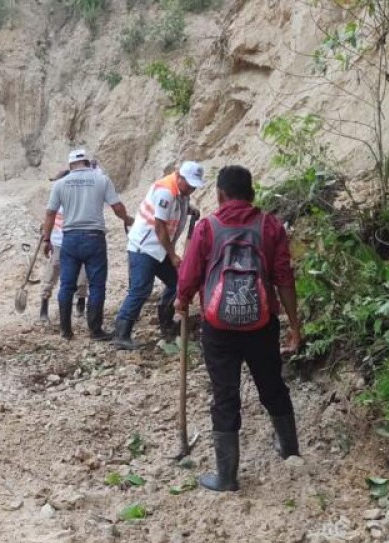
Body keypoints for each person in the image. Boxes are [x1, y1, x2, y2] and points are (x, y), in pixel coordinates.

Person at [174, 165, 303, 492]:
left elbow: (188, 274)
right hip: (262, 324)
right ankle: (290, 450)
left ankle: (227, 476)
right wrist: (294, 326)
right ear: (252, 194)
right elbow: (284, 278)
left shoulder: (207, 228)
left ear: (220, 194)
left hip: (218, 328)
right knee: (272, 385)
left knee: (225, 394)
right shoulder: (271, 226)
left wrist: (181, 300)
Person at [42, 149, 134, 340]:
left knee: (66, 285)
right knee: (97, 285)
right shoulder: (102, 180)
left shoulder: (61, 184)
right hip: (95, 238)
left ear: (70, 166)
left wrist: (46, 239)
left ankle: (66, 331)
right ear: (87, 162)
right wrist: (127, 219)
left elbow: (50, 213)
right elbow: (117, 207)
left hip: (70, 239)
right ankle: (95, 330)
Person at [113, 161, 204, 349]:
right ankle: (121, 334)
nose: (192, 189)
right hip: (144, 247)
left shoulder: (181, 191)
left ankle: (166, 321)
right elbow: (159, 227)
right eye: (190, 185)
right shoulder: (166, 192)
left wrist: (189, 209)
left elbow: (177, 205)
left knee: (177, 282)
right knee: (140, 290)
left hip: (159, 248)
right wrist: (173, 255)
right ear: (179, 176)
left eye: (195, 186)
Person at [40, 170, 88, 322]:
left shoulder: (79, 199)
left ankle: (80, 305)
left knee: (82, 275)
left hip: (77, 241)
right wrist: (46, 237)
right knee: (53, 270)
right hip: (59, 243)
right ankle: (44, 306)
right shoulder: (55, 198)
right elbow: (49, 217)